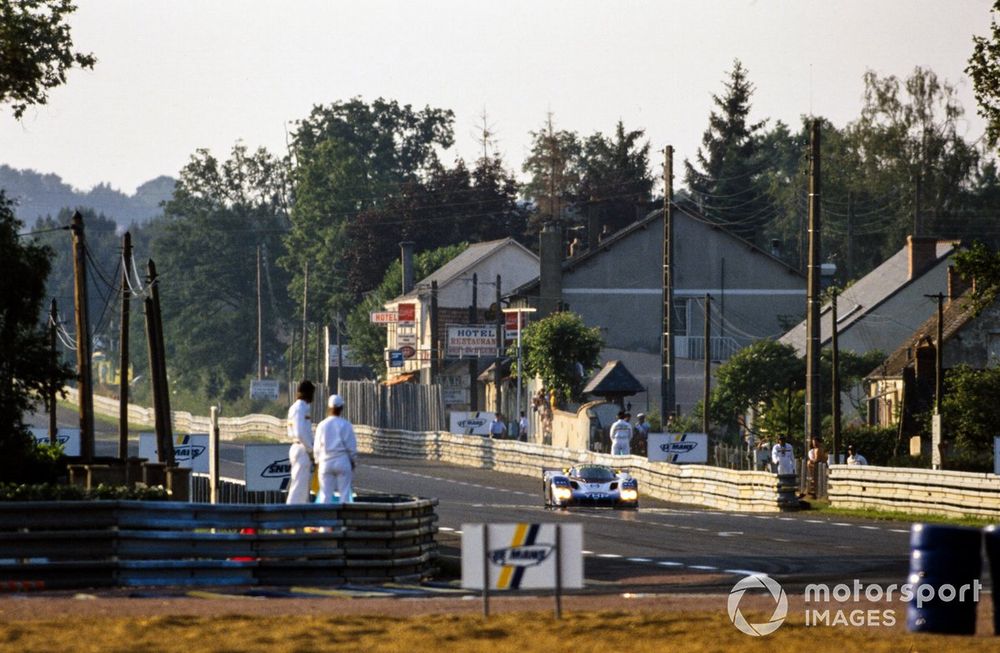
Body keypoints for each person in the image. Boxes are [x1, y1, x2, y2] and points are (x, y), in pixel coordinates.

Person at [313, 394, 358, 504]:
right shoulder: (346, 425)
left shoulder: (322, 425)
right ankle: (344, 518)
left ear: (329, 407)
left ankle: (325, 518)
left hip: (325, 461)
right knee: (345, 494)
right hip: (342, 461)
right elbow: (351, 447)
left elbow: (317, 447)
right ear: (341, 408)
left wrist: (317, 461)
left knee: (325, 494)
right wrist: (353, 460)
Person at [285, 380, 315, 504]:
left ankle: (299, 516)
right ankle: (290, 516)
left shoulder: (299, 407)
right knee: (298, 487)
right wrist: (310, 450)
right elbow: (300, 432)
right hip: (301, 447)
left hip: (300, 446)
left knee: (302, 487)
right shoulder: (300, 408)